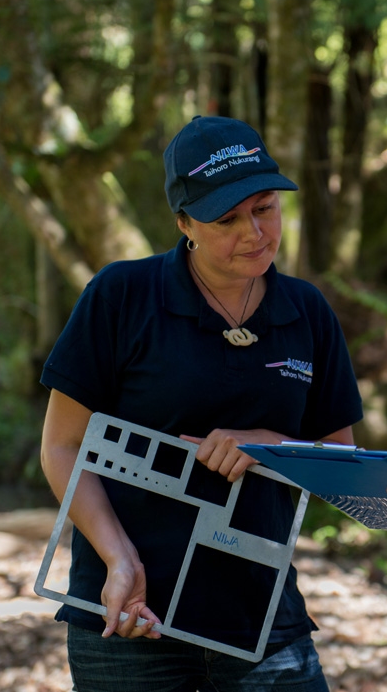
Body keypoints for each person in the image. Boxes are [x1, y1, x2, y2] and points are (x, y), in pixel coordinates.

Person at [39, 115, 363, 691]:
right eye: (227, 219)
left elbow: (340, 460)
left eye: (265, 208)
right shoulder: (120, 296)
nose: (254, 233)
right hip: (130, 619)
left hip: (260, 620)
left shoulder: (307, 312)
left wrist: (272, 447)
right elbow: (63, 447)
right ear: (184, 222)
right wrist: (120, 560)